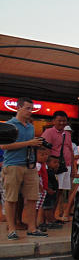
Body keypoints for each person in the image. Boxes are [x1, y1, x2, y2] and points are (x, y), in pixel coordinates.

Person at [0, 97, 47, 239]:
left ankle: (32, 228)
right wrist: (29, 142)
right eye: (27, 108)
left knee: (32, 197)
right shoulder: (9, 125)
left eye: (31, 109)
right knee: (11, 198)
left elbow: (29, 144)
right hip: (13, 165)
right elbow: (4, 146)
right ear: (18, 108)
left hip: (30, 165)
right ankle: (11, 229)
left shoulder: (30, 127)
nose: (30, 111)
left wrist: (35, 144)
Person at [41, 111, 76, 222]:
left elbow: (70, 150)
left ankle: (52, 217)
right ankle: (44, 219)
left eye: (64, 121)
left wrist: (73, 169)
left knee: (59, 191)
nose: (61, 123)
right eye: (59, 120)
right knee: (50, 192)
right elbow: (44, 149)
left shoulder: (67, 134)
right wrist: (48, 165)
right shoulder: (49, 132)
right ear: (53, 121)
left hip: (66, 166)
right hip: (53, 167)